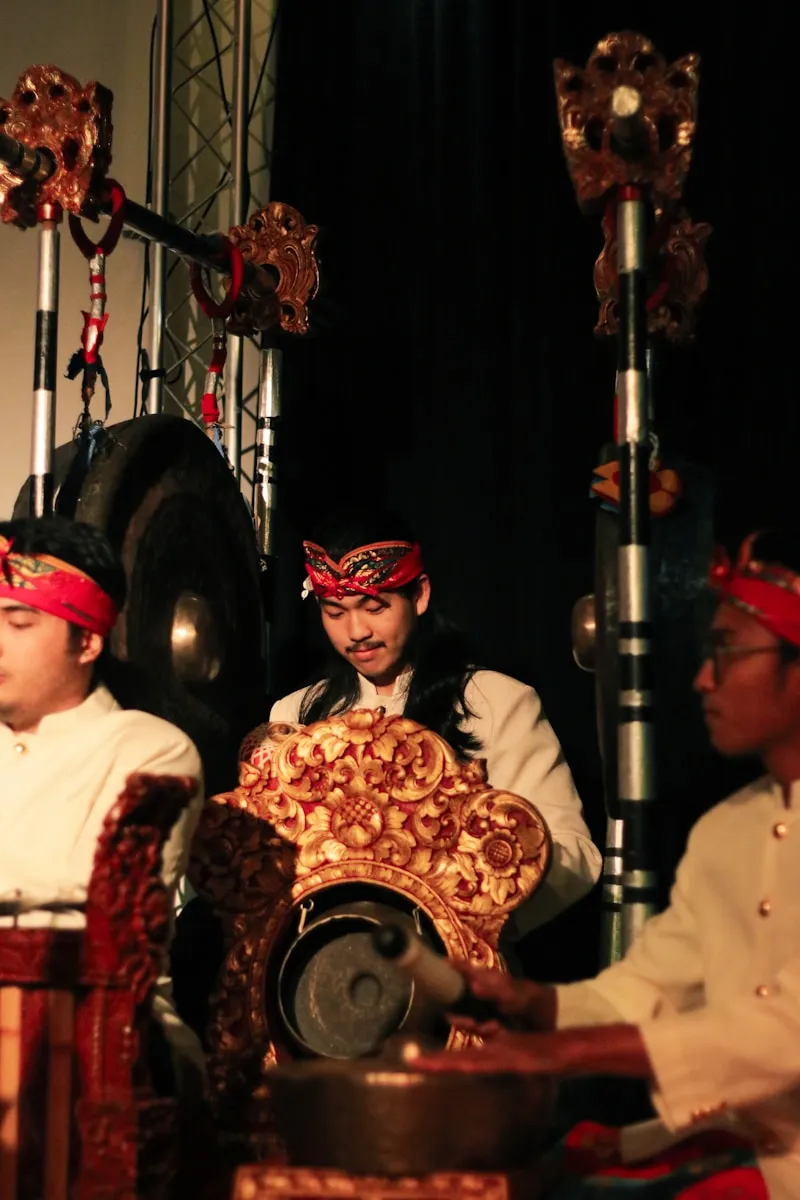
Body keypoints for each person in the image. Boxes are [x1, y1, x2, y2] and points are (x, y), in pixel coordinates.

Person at [416, 528, 800, 1199]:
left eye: (728, 652)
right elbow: (651, 988)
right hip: (744, 1146)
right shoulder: (727, 830)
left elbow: (783, 1033)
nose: (703, 679)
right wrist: (534, 1005)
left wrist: (562, 1053)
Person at [269, 510, 601, 936]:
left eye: (374, 607)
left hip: (459, 967)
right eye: (335, 612)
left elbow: (576, 854)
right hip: (323, 958)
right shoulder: (295, 715)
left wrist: (484, 871)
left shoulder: (497, 702)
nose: (356, 631)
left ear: (420, 595)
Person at [0, 516, 205, 1093]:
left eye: (18, 622)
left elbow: (89, 914)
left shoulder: (150, 747)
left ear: (87, 641)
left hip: (104, 1033)